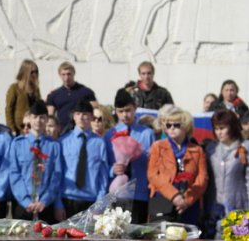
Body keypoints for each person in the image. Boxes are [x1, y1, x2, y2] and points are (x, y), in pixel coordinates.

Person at [147, 105, 208, 225]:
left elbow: (202, 179)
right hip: (162, 199)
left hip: (189, 202)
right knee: (161, 239)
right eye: (168, 125)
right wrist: (174, 196)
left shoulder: (197, 150)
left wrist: (187, 200)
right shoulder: (157, 146)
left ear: (186, 126)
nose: (172, 128)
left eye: (176, 125)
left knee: (190, 240)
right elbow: (153, 175)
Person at [104, 89, 155, 224]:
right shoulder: (110, 134)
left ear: (135, 108)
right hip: (117, 192)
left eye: (128, 110)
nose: (125, 115)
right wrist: (113, 170)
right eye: (120, 111)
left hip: (140, 192)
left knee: (137, 234)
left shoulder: (147, 133)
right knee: (116, 232)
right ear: (115, 111)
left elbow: (152, 164)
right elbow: (105, 163)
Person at [9, 99, 63, 224]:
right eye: (35, 117)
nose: (38, 120)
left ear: (46, 120)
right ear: (30, 118)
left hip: (45, 205)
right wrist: (25, 201)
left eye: (42, 117)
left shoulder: (54, 146)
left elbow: (56, 175)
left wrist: (45, 200)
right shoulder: (17, 144)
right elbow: (14, 174)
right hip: (23, 205)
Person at [202, 109, 249, 238]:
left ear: (232, 127)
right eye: (216, 129)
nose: (219, 132)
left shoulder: (245, 147)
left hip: (238, 206)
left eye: (222, 128)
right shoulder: (210, 149)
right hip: (213, 208)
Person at [59, 99, 109, 218]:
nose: (81, 117)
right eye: (78, 114)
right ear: (74, 117)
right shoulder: (63, 141)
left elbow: (103, 175)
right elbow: (58, 174)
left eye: (85, 114)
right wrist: (57, 203)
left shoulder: (99, 143)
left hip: (90, 200)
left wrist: (99, 203)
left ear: (92, 117)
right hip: (67, 198)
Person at [45, 61, 97, 129]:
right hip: (62, 132)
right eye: (63, 74)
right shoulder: (54, 95)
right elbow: (50, 117)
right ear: (59, 75)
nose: (66, 77)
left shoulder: (86, 92)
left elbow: (95, 112)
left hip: (82, 130)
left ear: (74, 73)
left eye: (69, 74)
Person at [5, 59, 40, 135]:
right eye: (32, 72)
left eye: (36, 72)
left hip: (33, 126)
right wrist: (11, 127)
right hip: (19, 127)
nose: (35, 74)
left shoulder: (36, 89)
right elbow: (9, 109)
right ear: (25, 72)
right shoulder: (14, 88)